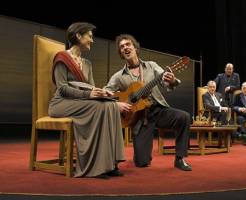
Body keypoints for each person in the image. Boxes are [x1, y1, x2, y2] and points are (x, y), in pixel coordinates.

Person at [104, 34, 192, 171]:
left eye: (128, 44)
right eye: (122, 47)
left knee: (184, 117)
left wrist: (171, 80)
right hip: (139, 119)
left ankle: (180, 158)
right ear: (120, 52)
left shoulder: (151, 66)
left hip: (158, 110)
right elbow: (105, 93)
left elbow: (166, 81)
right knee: (142, 162)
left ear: (135, 48)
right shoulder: (118, 76)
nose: (125, 48)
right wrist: (117, 104)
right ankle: (140, 154)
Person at [48, 22, 125, 178]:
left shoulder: (87, 64)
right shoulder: (62, 57)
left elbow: (90, 88)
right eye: (89, 36)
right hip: (60, 103)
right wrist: (89, 95)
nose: (92, 40)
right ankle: (93, 166)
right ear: (78, 36)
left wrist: (103, 94)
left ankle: (109, 163)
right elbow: (62, 88)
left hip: (79, 102)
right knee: (98, 107)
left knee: (110, 106)